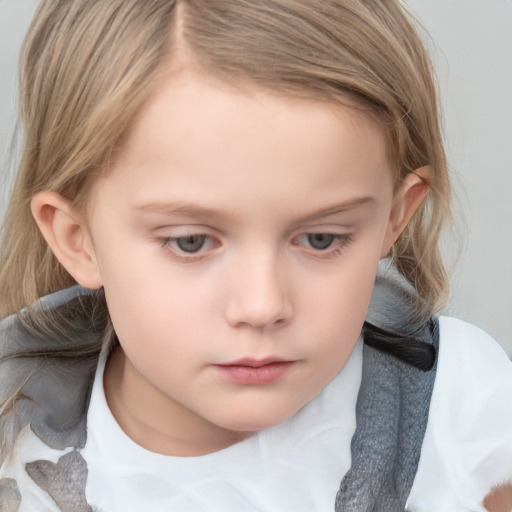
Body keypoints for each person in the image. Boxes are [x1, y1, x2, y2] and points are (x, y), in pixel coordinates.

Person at [0, 0, 511, 510]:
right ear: (76, 237)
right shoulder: (13, 442)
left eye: (321, 238)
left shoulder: (463, 419)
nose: (262, 306)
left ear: (393, 218)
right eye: (191, 242)